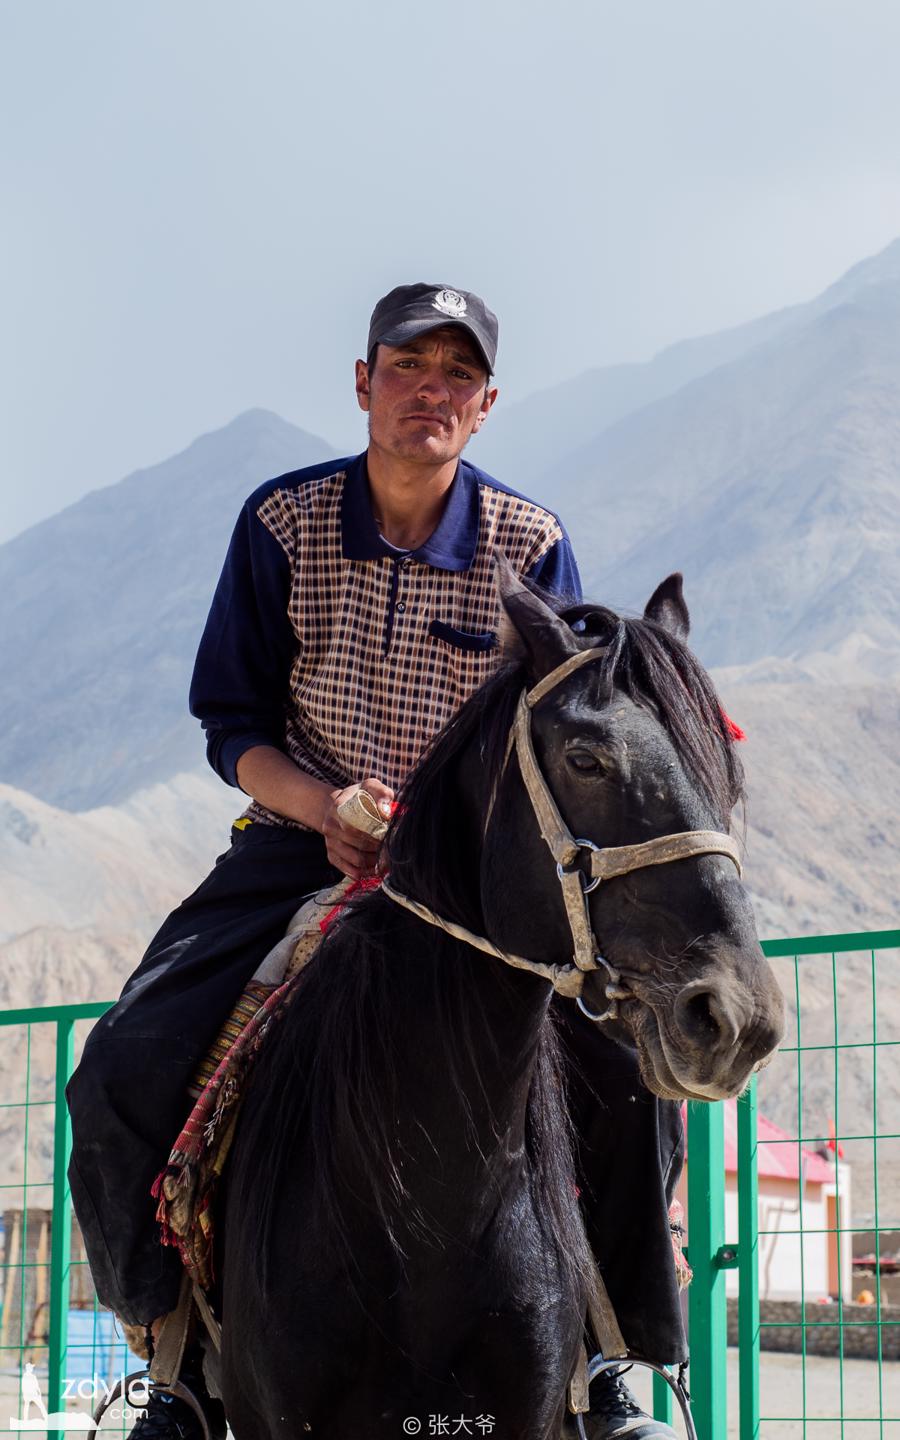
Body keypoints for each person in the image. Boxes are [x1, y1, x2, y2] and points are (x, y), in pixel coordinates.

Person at [67, 283, 686, 1440]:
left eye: (456, 375)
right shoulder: (281, 524)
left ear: (485, 405)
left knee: (629, 1080)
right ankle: (177, 1370)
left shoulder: (530, 545)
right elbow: (231, 723)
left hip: (474, 885)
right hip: (296, 846)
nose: (430, 393)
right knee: (118, 1069)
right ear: (364, 383)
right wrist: (322, 807)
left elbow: (551, 737)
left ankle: (611, 1366)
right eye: (408, 367)